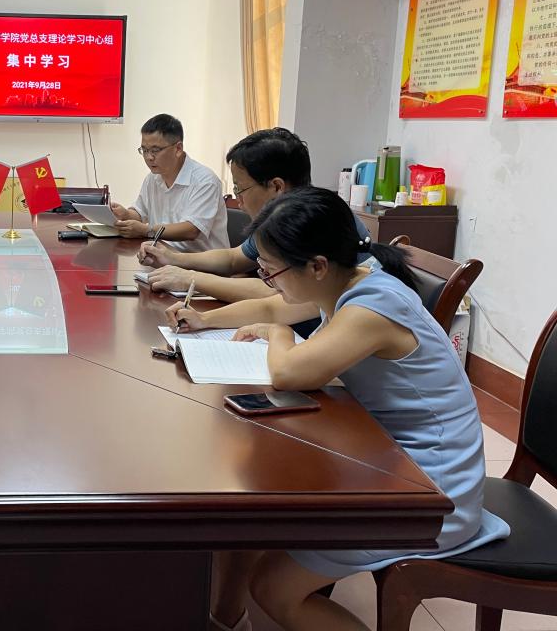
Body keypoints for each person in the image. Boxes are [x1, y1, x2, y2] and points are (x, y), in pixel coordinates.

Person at [164, 188, 508, 631]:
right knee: (252, 493)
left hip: (429, 492)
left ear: (317, 265)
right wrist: (205, 320)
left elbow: (288, 372)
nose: (268, 280)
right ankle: (225, 614)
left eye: (272, 271)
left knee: (273, 588)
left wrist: (275, 334)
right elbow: (272, 305)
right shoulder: (348, 279)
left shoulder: (373, 308)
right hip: (390, 458)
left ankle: (228, 610)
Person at [139, 127, 373, 303]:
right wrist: (173, 258)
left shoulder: (313, 221)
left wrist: (190, 278)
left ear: (276, 187)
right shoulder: (279, 219)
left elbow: (278, 295)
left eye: (240, 188)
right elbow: (234, 259)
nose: (238, 199)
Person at [108, 113, 228, 252]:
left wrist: (147, 230)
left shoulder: (205, 181)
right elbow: (140, 214)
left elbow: (191, 230)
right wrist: (125, 214)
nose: (149, 157)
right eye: (144, 150)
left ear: (178, 149)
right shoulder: (152, 178)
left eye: (155, 150)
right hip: (164, 255)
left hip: (199, 261)